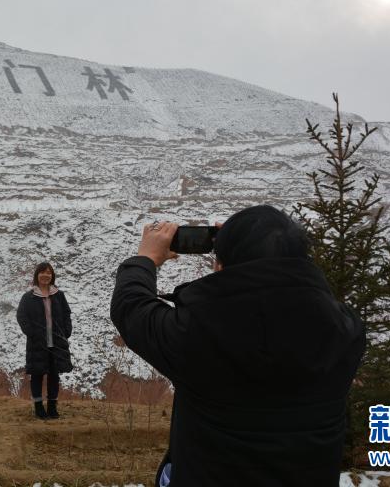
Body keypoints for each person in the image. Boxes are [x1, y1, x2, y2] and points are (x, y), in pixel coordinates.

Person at [110, 205, 366, 486]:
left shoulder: (195, 334)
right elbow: (305, 296)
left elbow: (131, 307)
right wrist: (244, 248)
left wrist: (146, 258)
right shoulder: (346, 330)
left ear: (221, 264)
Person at [16, 261, 73, 419]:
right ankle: (39, 407)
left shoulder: (59, 295)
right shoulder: (29, 297)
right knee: (37, 374)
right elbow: (21, 316)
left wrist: (66, 332)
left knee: (54, 375)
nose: (46, 275)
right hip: (37, 343)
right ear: (37, 275)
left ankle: (53, 407)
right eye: (42, 272)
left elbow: (67, 314)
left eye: (49, 272)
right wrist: (31, 333)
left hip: (56, 342)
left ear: (52, 275)